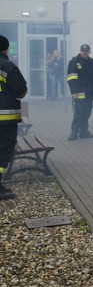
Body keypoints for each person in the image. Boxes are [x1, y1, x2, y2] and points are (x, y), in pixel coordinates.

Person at [0, 34, 28, 200]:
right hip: (5, 119)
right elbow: (21, 90)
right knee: (4, 151)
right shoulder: (7, 66)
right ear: (6, 48)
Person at [66, 44, 93, 140]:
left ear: (89, 51)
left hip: (89, 94)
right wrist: (73, 92)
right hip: (79, 93)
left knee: (87, 113)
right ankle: (74, 132)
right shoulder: (74, 62)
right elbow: (71, 78)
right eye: (83, 51)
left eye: (87, 51)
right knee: (78, 114)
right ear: (80, 51)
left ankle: (83, 132)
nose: (85, 53)